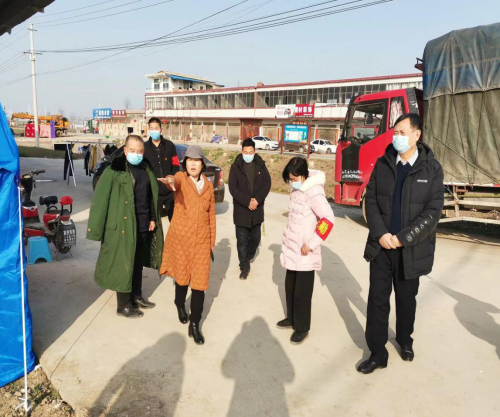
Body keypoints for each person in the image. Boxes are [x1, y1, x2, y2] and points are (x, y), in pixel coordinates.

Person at [358, 113, 444, 374]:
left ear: (417, 135)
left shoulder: (431, 169)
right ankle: (377, 353)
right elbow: (371, 200)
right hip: (381, 247)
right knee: (377, 301)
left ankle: (405, 339)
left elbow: (432, 212)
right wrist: (381, 234)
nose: (397, 137)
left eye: (402, 132)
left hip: (411, 249)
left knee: (406, 301)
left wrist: (403, 237)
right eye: (395, 132)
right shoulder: (383, 163)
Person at [87, 135, 163, 318]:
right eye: (133, 150)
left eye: (140, 151)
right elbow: (100, 200)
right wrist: (96, 229)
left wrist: (152, 218)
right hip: (123, 226)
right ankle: (123, 305)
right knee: (123, 263)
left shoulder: (146, 169)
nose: (136, 154)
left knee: (137, 263)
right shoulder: (114, 171)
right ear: (125, 150)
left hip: (143, 224)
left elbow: (150, 197)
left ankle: (136, 297)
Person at [158, 145, 216, 345]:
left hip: (201, 241)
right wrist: (170, 181)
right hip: (182, 239)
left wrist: (212, 241)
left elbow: (211, 214)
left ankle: (195, 323)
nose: (192, 164)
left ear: (202, 164)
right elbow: (174, 181)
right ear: (185, 163)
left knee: (200, 284)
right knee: (182, 277)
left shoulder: (208, 186)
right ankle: (179, 303)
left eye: (196, 160)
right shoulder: (182, 178)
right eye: (189, 160)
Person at [277, 157, 335, 344]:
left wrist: (312, 243)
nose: (292, 182)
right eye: (290, 179)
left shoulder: (314, 192)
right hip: (292, 248)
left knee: (302, 292)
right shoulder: (296, 189)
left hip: (305, 250)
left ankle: (302, 327)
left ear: (303, 175)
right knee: (290, 287)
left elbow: (328, 219)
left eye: (295, 179)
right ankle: (292, 318)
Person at [228, 138, 271, 280]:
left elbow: (267, 183)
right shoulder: (236, 167)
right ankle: (244, 267)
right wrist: (247, 201)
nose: (248, 154)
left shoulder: (260, 165)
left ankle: (248, 256)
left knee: (255, 239)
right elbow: (233, 188)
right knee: (241, 241)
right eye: (245, 152)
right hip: (241, 210)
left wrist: (257, 200)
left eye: (250, 152)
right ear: (242, 152)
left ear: (254, 151)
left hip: (256, 209)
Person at [143, 117, 180, 221]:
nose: (154, 131)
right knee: (154, 223)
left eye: (156, 128)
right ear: (149, 130)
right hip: (154, 193)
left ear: (161, 130)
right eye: (152, 128)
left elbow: (176, 164)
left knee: (175, 222)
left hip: (170, 191)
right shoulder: (144, 147)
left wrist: (172, 178)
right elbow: (143, 170)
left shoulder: (170, 145)